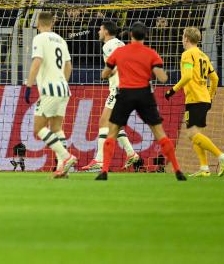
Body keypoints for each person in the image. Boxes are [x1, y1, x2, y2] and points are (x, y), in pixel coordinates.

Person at [96, 22, 186, 181]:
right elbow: (163, 78)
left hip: (125, 94)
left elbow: (105, 74)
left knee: (112, 131)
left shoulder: (121, 52)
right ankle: (178, 170)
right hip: (145, 94)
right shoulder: (151, 53)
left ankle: (103, 171)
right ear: (146, 36)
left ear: (131, 35)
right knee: (160, 133)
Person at [164, 27, 224, 177]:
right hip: (204, 99)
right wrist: (210, 95)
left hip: (194, 99)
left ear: (186, 39)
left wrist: (172, 91)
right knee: (197, 134)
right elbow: (215, 79)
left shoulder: (187, 54)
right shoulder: (203, 56)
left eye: (183, 37)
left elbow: (187, 76)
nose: (182, 39)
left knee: (192, 134)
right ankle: (204, 168)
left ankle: (222, 157)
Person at [23, 11, 77, 178]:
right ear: (52, 24)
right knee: (56, 128)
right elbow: (69, 67)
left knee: (39, 128)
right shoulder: (60, 39)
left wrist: (29, 85)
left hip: (50, 89)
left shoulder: (39, 38)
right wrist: (62, 82)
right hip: (63, 88)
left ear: (38, 24)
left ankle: (67, 157)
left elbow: (37, 61)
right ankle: (62, 167)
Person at [82, 21, 140, 171]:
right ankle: (131, 153)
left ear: (106, 31)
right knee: (114, 125)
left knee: (103, 122)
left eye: (100, 29)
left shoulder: (108, 46)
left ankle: (99, 160)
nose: (98, 32)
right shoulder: (120, 43)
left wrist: (108, 73)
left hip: (119, 89)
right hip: (127, 87)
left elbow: (116, 65)